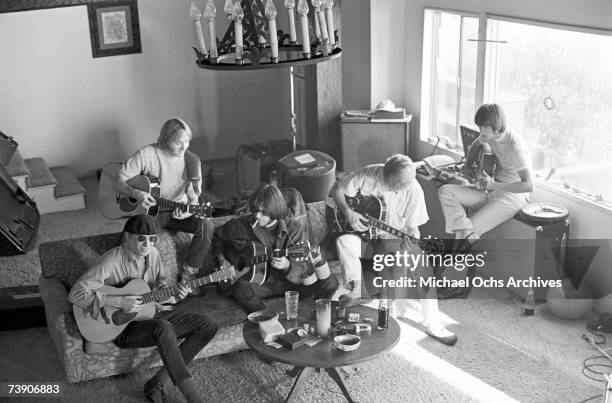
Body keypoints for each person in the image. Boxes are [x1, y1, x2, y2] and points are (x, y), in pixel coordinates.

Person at [68, 215, 218, 403]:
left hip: (150, 312)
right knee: (163, 327)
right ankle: (193, 397)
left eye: (152, 239)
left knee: (208, 325)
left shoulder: (153, 254)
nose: (147, 244)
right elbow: (75, 294)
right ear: (128, 237)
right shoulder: (110, 261)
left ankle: (157, 381)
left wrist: (179, 293)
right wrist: (118, 302)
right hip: (121, 326)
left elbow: (160, 290)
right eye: (141, 238)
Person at [331, 154, 457, 346]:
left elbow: (414, 229)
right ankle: (356, 290)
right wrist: (349, 213)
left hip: (393, 238)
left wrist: (411, 243)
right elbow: (337, 190)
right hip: (365, 236)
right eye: (390, 186)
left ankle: (433, 322)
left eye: (398, 188)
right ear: (384, 174)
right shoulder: (369, 174)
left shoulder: (414, 190)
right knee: (344, 241)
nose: (394, 191)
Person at [114, 118, 214, 294]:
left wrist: (190, 207)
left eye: (187, 142)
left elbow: (194, 198)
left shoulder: (192, 161)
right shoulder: (147, 154)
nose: (184, 148)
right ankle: (125, 284)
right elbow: (118, 181)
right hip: (152, 213)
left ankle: (188, 277)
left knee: (206, 224)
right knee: (131, 236)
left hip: (177, 212)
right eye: (178, 143)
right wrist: (136, 193)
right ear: (165, 139)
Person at [213, 185, 338, 314]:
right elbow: (217, 235)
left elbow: (303, 268)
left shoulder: (294, 229)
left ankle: (317, 315)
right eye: (255, 210)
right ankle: (266, 321)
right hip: (262, 284)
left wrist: (287, 265)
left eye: (263, 212)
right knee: (241, 288)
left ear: (275, 210)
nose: (257, 215)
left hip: (290, 284)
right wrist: (221, 258)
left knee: (330, 282)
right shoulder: (242, 225)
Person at [438, 103, 534, 252]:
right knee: (445, 191)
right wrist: (468, 167)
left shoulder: (515, 147)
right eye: (479, 127)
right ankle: (465, 235)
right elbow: (475, 146)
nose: (480, 132)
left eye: (484, 128)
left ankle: (450, 263)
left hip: (513, 196)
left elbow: (528, 185)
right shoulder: (488, 135)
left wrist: (494, 185)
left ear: (497, 128)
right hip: (491, 188)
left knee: (468, 230)